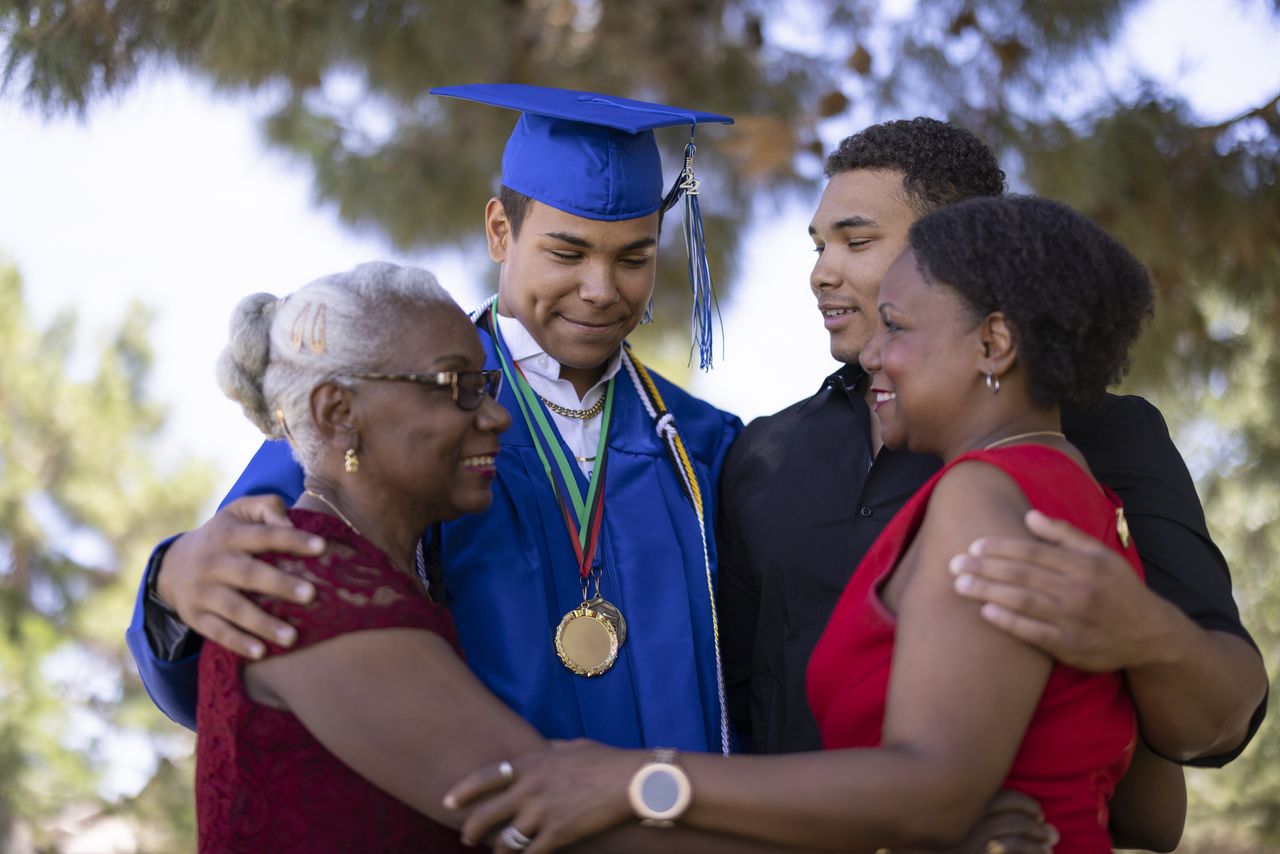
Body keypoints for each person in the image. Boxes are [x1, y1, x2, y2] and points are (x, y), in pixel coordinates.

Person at [445, 195, 1173, 853]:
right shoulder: (1081, 492)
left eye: (896, 326)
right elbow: (1146, 801)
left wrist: (636, 782)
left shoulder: (982, 497)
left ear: (994, 345)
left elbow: (932, 797)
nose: (874, 354)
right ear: (500, 233)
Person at [125, 84, 744, 758]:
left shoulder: (699, 445)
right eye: (567, 254)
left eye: (633, 258)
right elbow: (243, 599)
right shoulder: (394, 404)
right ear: (500, 232)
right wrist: (168, 581)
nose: (601, 289)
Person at [717, 120, 1267, 789]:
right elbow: (741, 713)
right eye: (818, 245)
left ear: (952, 249)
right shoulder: (761, 455)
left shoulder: (1091, 436)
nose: (819, 273)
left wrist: (1146, 636)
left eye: (856, 241)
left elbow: (1218, 726)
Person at [194, 261, 550, 851]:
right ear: (339, 414)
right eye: (455, 385)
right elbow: (550, 813)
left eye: (485, 385)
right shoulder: (305, 590)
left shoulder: (379, 574)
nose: (496, 416)